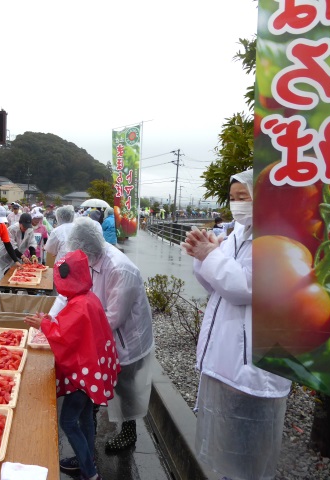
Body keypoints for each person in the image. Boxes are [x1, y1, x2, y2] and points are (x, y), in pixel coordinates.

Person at [182, 169, 291, 480]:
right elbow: (215, 285)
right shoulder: (238, 234)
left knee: (248, 458)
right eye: (232, 199)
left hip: (252, 365)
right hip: (229, 359)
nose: (236, 205)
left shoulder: (276, 237)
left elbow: (245, 288)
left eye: (243, 198)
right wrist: (201, 255)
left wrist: (210, 256)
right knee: (228, 450)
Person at [50, 217, 155, 468]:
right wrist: (52, 321)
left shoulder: (120, 268)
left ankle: (127, 434)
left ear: (91, 249)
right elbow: (68, 296)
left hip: (124, 339)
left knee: (125, 390)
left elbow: (112, 318)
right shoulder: (85, 259)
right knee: (92, 396)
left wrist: (68, 334)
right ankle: (88, 451)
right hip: (98, 340)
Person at [25, 250, 118, 480]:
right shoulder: (89, 298)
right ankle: (88, 461)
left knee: (68, 421)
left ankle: (89, 471)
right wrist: (47, 322)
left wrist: (44, 325)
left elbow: (63, 337)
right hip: (92, 374)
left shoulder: (79, 305)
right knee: (85, 417)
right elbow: (70, 331)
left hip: (82, 376)